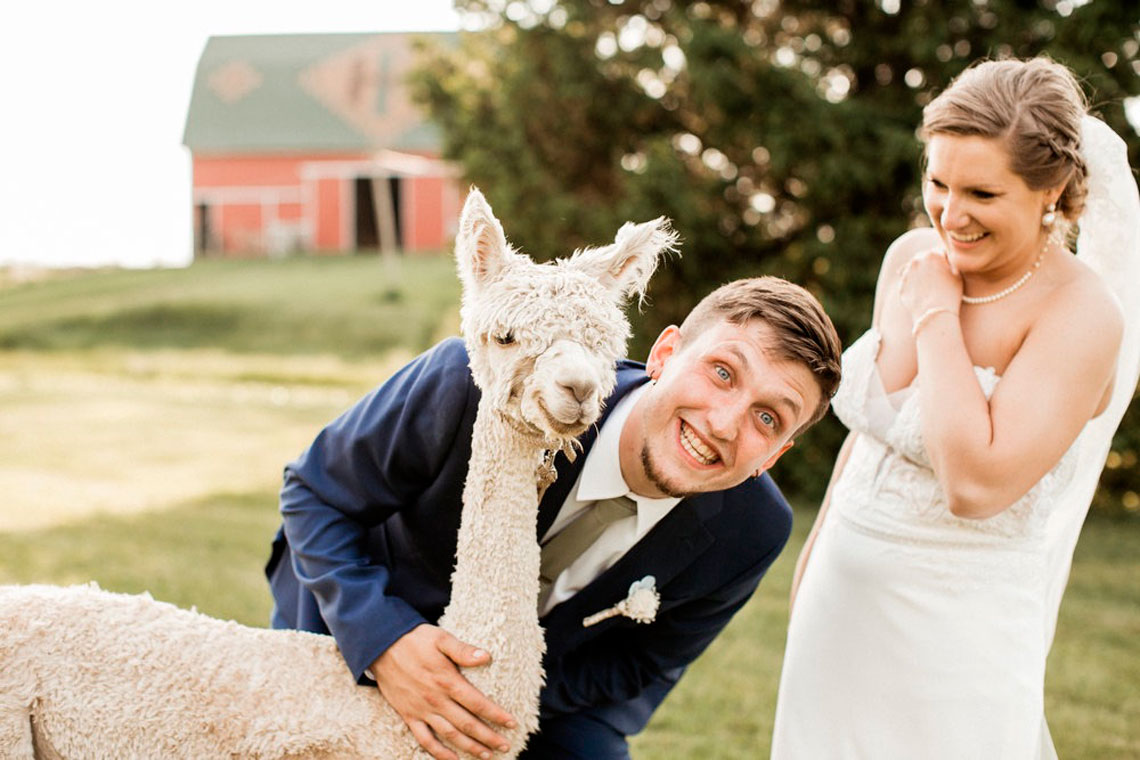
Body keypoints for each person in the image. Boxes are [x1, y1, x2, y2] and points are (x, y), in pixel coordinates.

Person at [267, 276, 842, 760]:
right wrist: (385, 642)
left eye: (768, 418)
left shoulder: (754, 531)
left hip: (546, 692)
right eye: (722, 373)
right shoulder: (479, 382)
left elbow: (639, 666)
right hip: (363, 607)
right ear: (665, 354)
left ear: (775, 455)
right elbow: (315, 494)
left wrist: (486, 697)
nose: (723, 423)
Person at [771, 57, 1140, 759]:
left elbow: (974, 485)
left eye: (982, 193)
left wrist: (937, 316)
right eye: (938, 183)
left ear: (1051, 190)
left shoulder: (1082, 314)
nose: (950, 213)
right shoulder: (910, 255)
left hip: (959, 633)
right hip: (838, 610)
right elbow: (870, 440)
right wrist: (811, 569)